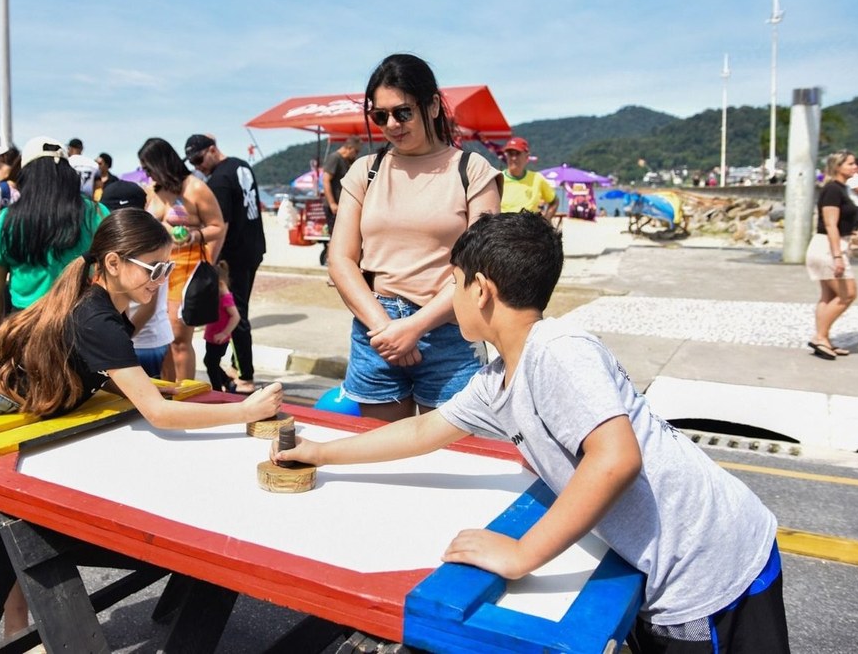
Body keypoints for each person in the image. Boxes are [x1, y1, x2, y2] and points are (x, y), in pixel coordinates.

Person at [276, 211, 790, 654]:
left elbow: (615, 458)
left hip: (712, 570)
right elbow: (421, 431)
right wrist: (320, 451)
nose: (449, 298)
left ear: (481, 290)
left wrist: (524, 554)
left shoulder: (558, 350)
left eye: (453, 284)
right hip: (669, 565)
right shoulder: (499, 379)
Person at [0, 207, 283, 637]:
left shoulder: (105, 303)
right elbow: (158, 414)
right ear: (113, 263)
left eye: (167, 267)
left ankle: (16, 635)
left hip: (23, 408)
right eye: (154, 268)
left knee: (4, 530)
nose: (161, 278)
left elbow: (106, 373)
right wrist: (243, 410)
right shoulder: (96, 315)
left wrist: (147, 389)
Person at [327, 53, 501, 422]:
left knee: (452, 462)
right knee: (380, 457)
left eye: (403, 112)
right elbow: (340, 259)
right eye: (380, 115)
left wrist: (416, 327)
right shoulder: (365, 170)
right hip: (376, 328)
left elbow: (479, 267)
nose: (392, 124)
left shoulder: (472, 169)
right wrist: (386, 330)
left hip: (449, 329)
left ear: (433, 105)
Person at [0, 137, 109, 332]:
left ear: (25, 176)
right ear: (69, 174)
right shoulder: (98, 213)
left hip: (26, 326)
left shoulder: (8, 220)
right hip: (83, 325)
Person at [185, 134, 266, 393]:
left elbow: (220, 226)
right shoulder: (241, 165)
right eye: (193, 163)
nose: (198, 166)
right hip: (254, 247)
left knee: (236, 313)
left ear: (212, 150)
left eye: (199, 159)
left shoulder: (219, 180)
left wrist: (209, 262)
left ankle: (246, 376)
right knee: (241, 308)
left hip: (234, 255)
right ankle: (237, 364)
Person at [139, 137, 225, 381]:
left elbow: (218, 226)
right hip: (155, 271)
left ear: (161, 163)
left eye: (148, 168)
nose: (146, 174)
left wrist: (193, 235)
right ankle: (167, 392)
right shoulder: (152, 191)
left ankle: (185, 395)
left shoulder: (195, 188)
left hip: (185, 270)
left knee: (178, 338)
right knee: (160, 337)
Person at [102, 179, 174, 377]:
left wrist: (123, 339)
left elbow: (148, 306)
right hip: (150, 337)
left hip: (141, 340)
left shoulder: (148, 243)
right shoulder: (154, 237)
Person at [805, 152, 858, 360]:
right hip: (827, 247)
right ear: (838, 166)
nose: (855, 167)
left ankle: (824, 339)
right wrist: (838, 256)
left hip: (830, 246)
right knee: (848, 294)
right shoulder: (832, 190)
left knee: (828, 296)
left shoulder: (839, 189)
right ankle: (819, 337)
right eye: (850, 163)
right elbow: (830, 224)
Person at [321, 136, 363, 264]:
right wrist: (332, 203)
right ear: (349, 148)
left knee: (343, 236)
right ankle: (332, 262)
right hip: (334, 205)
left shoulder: (345, 160)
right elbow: (325, 180)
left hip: (342, 205)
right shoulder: (335, 158)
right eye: (355, 151)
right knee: (335, 236)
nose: (356, 154)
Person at [202, 260, 240, 392]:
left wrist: (224, 333)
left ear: (221, 284)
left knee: (211, 363)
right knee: (209, 362)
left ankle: (218, 389)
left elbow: (236, 317)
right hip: (212, 336)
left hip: (219, 338)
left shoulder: (226, 298)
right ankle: (226, 381)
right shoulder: (217, 296)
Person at [498, 138, 557, 219]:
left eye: (517, 153)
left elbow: (554, 201)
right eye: (510, 154)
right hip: (503, 228)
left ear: (527, 157)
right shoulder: (498, 178)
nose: (514, 158)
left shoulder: (537, 178)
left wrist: (546, 221)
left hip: (530, 229)